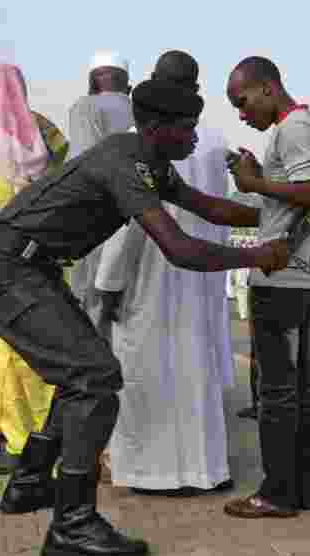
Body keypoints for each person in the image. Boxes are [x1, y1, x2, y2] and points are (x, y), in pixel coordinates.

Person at [0, 78, 286, 556]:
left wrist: (274, 213)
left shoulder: (150, 163)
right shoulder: (125, 163)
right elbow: (180, 249)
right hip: (8, 270)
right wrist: (258, 256)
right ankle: (72, 524)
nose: (195, 137)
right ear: (156, 127)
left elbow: (209, 207)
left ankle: (29, 483)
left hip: (27, 268)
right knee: (94, 379)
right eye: (187, 127)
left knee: (80, 376)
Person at [96, 50, 237, 496]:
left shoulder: (143, 137)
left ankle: (149, 473)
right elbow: (218, 211)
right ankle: (203, 469)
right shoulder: (213, 141)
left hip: (150, 275)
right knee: (196, 371)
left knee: (145, 372)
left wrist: (109, 285)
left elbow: (128, 224)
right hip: (202, 274)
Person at [222, 56, 310, 519]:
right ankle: (298, 488)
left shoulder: (294, 130)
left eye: (242, 101)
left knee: (277, 391)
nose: (241, 113)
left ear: (268, 88)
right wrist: (257, 181)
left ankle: (277, 492)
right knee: (296, 390)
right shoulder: (297, 129)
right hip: (300, 276)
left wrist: (254, 182)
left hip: (286, 278)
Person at [0, 64, 68, 477]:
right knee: (43, 354)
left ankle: (21, 445)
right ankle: (53, 442)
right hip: (43, 259)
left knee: (8, 354)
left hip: (3, 265)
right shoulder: (44, 130)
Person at [67, 52, 133, 340]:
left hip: (96, 215)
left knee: (90, 301)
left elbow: (84, 163)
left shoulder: (85, 106)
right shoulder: (139, 108)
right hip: (138, 213)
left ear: (94, 77)